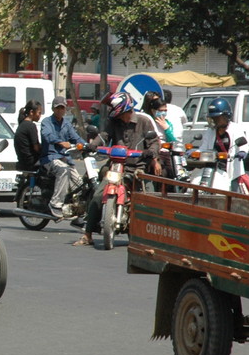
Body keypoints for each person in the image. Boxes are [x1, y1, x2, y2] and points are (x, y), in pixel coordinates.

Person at [76, 91, 160, 247]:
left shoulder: (144, 121)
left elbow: (154, 142)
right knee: (97, 195)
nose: (120, 117)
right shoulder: (114, 122)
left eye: (122, 114)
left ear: (128, 110)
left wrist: (151, 152)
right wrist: (92, 145)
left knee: (149, 199)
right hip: (115, 167)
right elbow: (103, 136)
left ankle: (149, 238)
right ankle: (87, 234)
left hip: (138, 167)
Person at [40, 96, 86, 219]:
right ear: (53, 109)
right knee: (63, 170)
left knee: (80, 183)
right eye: (58, 108)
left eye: (62, 108)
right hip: (50, 158)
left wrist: (88, 146)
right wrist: (60, 142)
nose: (60, 110)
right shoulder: (46, 122)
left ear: (65, 109)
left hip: (65, 158)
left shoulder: (66, 123)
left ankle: (77, 210)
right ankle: (55, 203)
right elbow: (47, 135)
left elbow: (76, 138)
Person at [194, 98, 249, 191]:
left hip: (231, 168)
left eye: (217, 118)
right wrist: (194, 152)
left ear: (226, 116)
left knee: (234, 193)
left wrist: (242, 152)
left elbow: (243, 144)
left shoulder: (236, 129)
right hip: (213, 167)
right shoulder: (210, 131)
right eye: (213, 118)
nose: (215, 121)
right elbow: (204, 147)